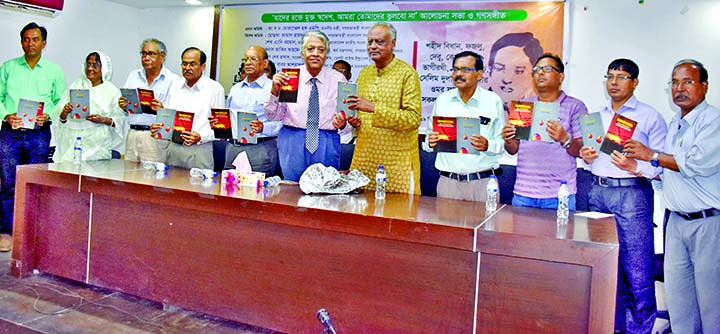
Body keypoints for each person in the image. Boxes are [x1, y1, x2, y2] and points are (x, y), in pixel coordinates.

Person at [624, 59, 720, 334]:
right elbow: (669, 172)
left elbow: (697, 164)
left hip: (707, 223)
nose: (679, 88)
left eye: (688, 82)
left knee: (711, 303)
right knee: (679, 299)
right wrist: (639, 168)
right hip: (676, 222)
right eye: (675, 82)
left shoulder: (713, 121)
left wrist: (651, 155)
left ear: (704, 86)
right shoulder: (675, 123)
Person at [579, 59, 666, 334]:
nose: (614, 82)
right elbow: (590, 160)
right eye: (610, 76)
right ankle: (610, 327)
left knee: (637, 268)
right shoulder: (595, 116)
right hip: (598, 191)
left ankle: (640, 329)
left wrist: (636, 167)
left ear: (635, 82)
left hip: (632, 194)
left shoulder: (650, 116)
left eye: (622, 77)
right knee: (604, 266)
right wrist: (586, 157)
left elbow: (662, 166)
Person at [0, 22, 65, 252]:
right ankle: (6, 231)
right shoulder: (8, 68)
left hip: (38, 134)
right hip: (11, 133)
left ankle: (31, 232)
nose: (30, 43)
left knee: (35, 182)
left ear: (43, 43)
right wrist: (5, 114)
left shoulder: (53, 71)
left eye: (35, 39)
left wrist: (48, 113)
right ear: (21, 42)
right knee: (8, 183)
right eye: (26, 39)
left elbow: (61, 102)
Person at [502, 53, 588, 210]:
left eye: (547, 69)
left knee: (559, 235)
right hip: (523, 194)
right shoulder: (524, 106)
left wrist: (565, 139)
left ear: (561, 77)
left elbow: (582, 150)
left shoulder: (575, 106)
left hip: (559, 195)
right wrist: (508, 140)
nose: (540, 73)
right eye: (537, 69)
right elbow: (513, 150)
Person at [347, 22, 422, 194]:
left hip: (397, 164)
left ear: (393, 44)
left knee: (397, 215)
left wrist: (374, 108)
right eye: (370, 42)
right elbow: (359, 114)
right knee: (359, 215)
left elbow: (413, 118)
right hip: (364, 160)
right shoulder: (365, 73)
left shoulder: (407, 74)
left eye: (379, 42)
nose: (373, 46)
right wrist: (355, 122)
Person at [265, 30, 347, 181]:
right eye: (310, 49)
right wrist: (274, 92)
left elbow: (347, 124)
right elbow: (273, 116)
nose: (315, 53)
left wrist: (343, 124)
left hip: (326, 141)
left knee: (325, 192)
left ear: (326, 54)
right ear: (302, 53)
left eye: (321, 50)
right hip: (292, 140)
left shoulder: (338, 79)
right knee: (291, 192)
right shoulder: (290, 77)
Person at [422, 51, 504, 201]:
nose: (458, 74)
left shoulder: (493, 101)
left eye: (465, 70)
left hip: (482, 184)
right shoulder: (442, 100)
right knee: (444, 225)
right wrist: (430, 142)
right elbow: (428, 141)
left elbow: (502, 143)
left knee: (485, 225)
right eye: (455, 69)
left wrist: (488, 145)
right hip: (448, 184)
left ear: (479, 74)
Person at [150, 47, 225, 169]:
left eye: (192, 64)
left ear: (203, 66)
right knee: (170, 186)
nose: (187, 68)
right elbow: (169, 116)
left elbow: (221, 128)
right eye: (184, 64)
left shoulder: (215, 89)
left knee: (199, 188)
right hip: (173, 148)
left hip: (199, 150)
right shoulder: (175, 85)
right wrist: (159, 126)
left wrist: (201, 137)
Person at [213, 46, 280, 175]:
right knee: (228, 191)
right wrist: (219, 123)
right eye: (246, 59)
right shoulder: (236, 89)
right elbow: (230, 118)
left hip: (259, 149)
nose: (248, 63)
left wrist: (263, 127)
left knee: (256, 193)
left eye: (253, 59)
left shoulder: (273, 88)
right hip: (233, 147)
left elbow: (283, 123)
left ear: (265, 63)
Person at [53, 51, 127, 163]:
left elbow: (119, 121)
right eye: (88, 64)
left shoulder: (111, 91)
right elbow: (60, 119)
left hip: (99, 145)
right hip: (73, 143)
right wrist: (65, 112)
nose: (90, 68)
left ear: (104, 69)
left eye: (95, 65)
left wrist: (101, 120)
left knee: (93, 178)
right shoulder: (76, 85)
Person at [119, 38, 179, 162]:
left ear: (162, 56)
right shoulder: (133, 76)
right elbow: (125, 109)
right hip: (133, 134)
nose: (146, 58)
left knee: (151, 178)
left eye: (151, 54)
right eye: (144, 54)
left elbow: (176, 114)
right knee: (129, 178)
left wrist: (162, 109)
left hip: (156, 138)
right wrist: (123, 105)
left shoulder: (173, 80)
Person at [487, 32, 544, 111]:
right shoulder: (477, 107)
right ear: (490, 70)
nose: (507, 80)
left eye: (519, 71)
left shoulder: (542, 109)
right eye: (499, 68)